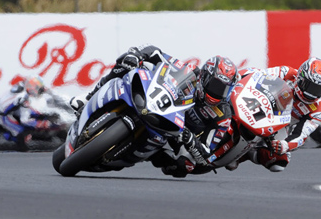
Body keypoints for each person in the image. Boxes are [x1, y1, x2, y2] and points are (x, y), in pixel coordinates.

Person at [69, 45, 240, 177]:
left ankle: (143, 155)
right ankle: (89, 96)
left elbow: (206, 154)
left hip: (176, 135)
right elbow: (155, 52)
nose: (217, 93)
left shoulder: (222, 116)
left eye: (224, 90)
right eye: (216, 86)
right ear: (205, 77)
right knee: (125, 63)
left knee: (185, 166)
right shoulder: (189, 72)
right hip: (159, 105)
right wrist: (137, 55)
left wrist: (190, 141)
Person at [230, 57, 321, 172]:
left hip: (280, 125)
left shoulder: (317, 111)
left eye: (317, 90)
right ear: (300, 78)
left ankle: (246, 154)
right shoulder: (286, 73)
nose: (311, 94)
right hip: (260, 105)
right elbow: (258, 75)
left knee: (279, 162)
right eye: (310, 86)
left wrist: (285, 145)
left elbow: (301, 135)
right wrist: (238, 78)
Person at [0, 75, 69, 150]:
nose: (41, 90)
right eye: (39, 88)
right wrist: (42, 124)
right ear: (33, 87)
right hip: (4, 116)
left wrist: (49, 92)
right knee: (22, 135)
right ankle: (4, 137)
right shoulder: (23, 98)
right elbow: (24, 120)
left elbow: (50, 93)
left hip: (10, 109)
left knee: (39, 114)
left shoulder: (23, 85)